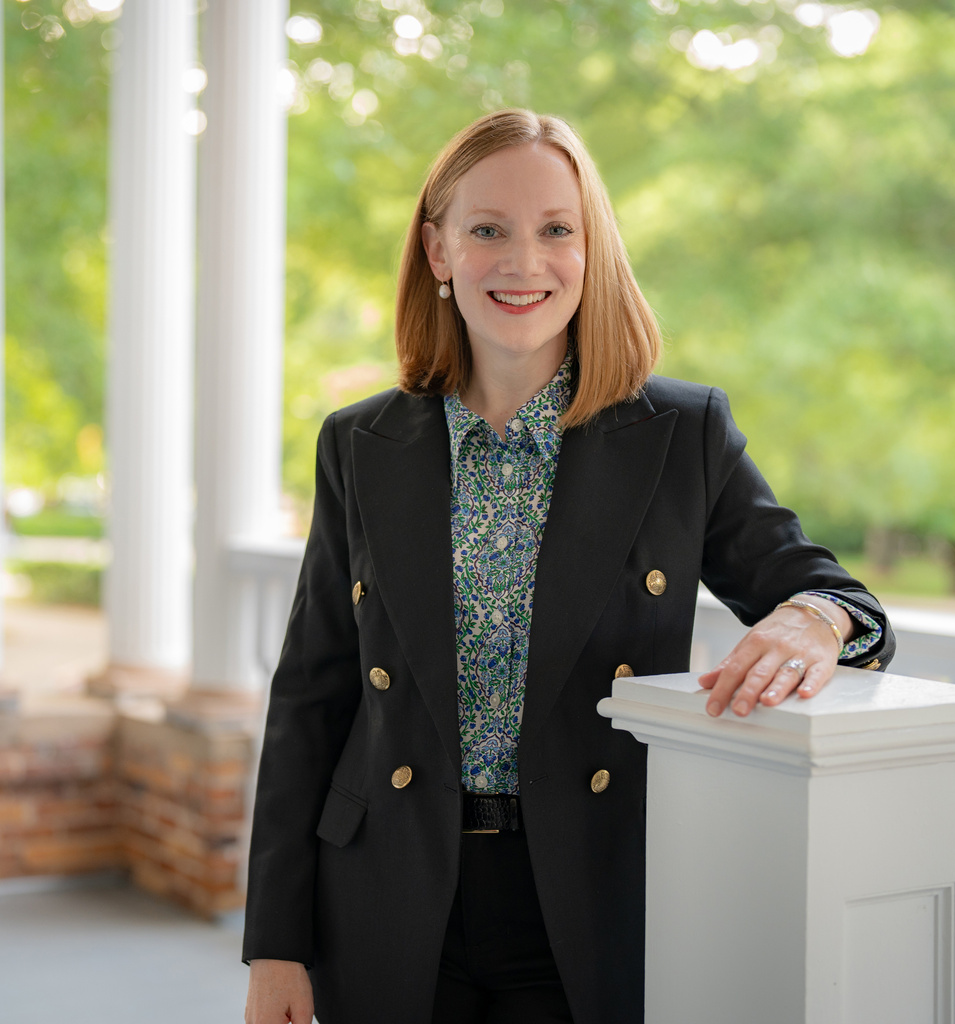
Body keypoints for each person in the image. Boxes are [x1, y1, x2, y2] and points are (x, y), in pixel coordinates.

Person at [242, 109, 895, 1024]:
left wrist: (809, 618)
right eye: (487, 231)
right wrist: (277, 943)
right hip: (384, 892)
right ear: (437, 251)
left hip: (596, 891)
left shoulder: (681, 434)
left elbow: (840, 598)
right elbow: (309, 700)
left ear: (593, 251)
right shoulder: (361, 443)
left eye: (556, 230)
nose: (524, 262)